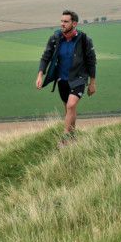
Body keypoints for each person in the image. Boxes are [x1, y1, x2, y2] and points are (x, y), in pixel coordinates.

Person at [36, 10, 96, 147]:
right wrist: (40, 75)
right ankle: (73, 137)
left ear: (74, 23)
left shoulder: (84, 40)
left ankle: (64, 138)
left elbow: (91, 61)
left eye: (66, 21)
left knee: (71, 105)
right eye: (61, 21)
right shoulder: (55, 38)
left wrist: (92, 82)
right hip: (62, 80)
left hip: (79, 78)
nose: (62, 24)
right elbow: (46, 57)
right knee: (69, 110)